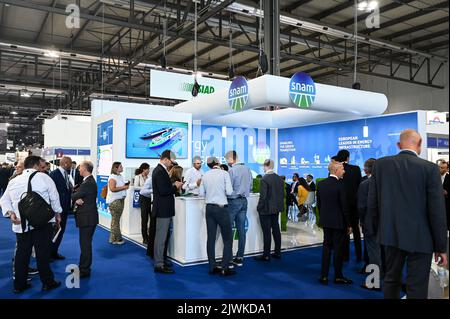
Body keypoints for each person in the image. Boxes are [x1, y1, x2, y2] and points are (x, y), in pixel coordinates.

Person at [368, 129, 447, 299]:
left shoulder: (380, 165)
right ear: (419, 145)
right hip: (421, 238)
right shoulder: (430, 169)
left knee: (391, 279)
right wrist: (441, 247)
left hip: (390, 234)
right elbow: (437, 211)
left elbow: (372, 203)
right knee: (417, 285)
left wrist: (375, 231)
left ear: (398, 145)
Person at [0, 156, 62, 293]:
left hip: (21, 224)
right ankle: (47, 282)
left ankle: (19, 285)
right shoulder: (45, 178)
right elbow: (54, 198)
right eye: (42, 165)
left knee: (22, 254)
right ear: (35, 165)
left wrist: (11, 213)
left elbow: (4, 200)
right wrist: (58, 214)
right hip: (43, 223)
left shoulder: (14, 181)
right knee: (42, 253)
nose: (44, 168)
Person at [317, 161, 353, 285]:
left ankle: (324, 276)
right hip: (338, 223)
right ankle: (338, 276)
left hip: (326, 221)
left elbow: (319, 204)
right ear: (336, 170)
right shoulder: (341, 185)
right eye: (342, 169)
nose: (344, 171)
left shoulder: (321, 184)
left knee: (326, 247)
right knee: (338, 249)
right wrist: (349, 224)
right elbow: (344, 207)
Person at [199, 156, 235, 276]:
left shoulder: (205, 175)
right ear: (218, 163)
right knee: (228, 238)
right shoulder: (224, 174)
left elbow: (200, 193)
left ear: (208, 165)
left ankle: (212, 266)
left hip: (209, 208)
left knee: (211, 238)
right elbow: (229, 192)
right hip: (221, 208)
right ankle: (225, 267)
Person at [152, 150, 183, 274]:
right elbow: (164, 191)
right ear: (165, 159)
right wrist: (175, 186)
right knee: (161, 237)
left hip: (164, 209)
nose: (171, 164)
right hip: (163, 209)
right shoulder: (159, 171)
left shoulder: (160, 170)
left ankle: (161, 260)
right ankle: (159, 264)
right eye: (170, 161)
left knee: (162, 237)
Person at [225, 150, 253, 267]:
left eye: (227, 159)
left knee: (229, 230)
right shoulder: (247, 169)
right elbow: (250, 186)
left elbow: (228, 188)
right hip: (244, 201)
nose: (227, 162)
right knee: (241, 230)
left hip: (233, 201)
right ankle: (240, 257)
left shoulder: (232, 171)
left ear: (232, 158)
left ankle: (229, 258)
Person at [357, 158, 381, 291]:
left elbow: (361, 207)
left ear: (366, 169)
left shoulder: (365, 184)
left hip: (370, 223)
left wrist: (361, 221)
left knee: (373, 253)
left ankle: (373, 282)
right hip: (386, 223)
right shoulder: (387, 183)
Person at [71, 161, 98, 278]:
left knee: (85, 244)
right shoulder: (88, 181)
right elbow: (79, 195)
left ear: (86, 169)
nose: (78, 169)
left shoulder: (88, 183)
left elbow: (74, 195)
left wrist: (74, 197)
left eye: (80, 168)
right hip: (88, 217)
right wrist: (76, 198)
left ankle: (84, 270)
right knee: (85, 244)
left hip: (87, 218)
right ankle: (82, 267)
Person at [335, 149, 362, 262]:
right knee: (356, 230)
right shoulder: (356, 169)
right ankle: (359, 255)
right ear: (347, 158)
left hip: (341, 205)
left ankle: (345, 255)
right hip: (354, 204)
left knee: (343, 230)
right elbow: (360, 186)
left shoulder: (335, 169)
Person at [254, 159, 284, 261]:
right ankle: (277, 252)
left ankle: (266, 255)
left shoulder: (264, 179)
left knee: (266, 232)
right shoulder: (279, 178)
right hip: (276, 209)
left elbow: (263, 197)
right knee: (276, 230)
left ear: (265, 166)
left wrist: (259, 208)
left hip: (266, 210)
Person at [49, 156, 73, 261]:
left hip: (65, 208)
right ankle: (48, 254)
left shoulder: (66, 174)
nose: (72, 165)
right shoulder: (54, 175)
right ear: (66, 163)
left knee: (60, 231)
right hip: (56, 209)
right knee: (53, 232)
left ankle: (54, 251)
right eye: (71, 163)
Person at [106, 162, 129, 245]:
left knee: (115, 220)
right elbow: (112, 189)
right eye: (120, 166)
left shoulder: (120, 176)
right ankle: (118, 239)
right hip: (115, 201)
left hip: (120, 200)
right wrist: (124, 187)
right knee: (115, 221)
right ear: (115, 168)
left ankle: (112, 238)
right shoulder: (112, 177)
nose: (122, 167)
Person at [439, 161, 449, 231]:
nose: (440, 169)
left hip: (447, 205)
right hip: (437, 204)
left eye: (442, 168)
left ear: (447, 169)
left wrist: (446, 193)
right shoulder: (434, 177)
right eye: (439, 167)